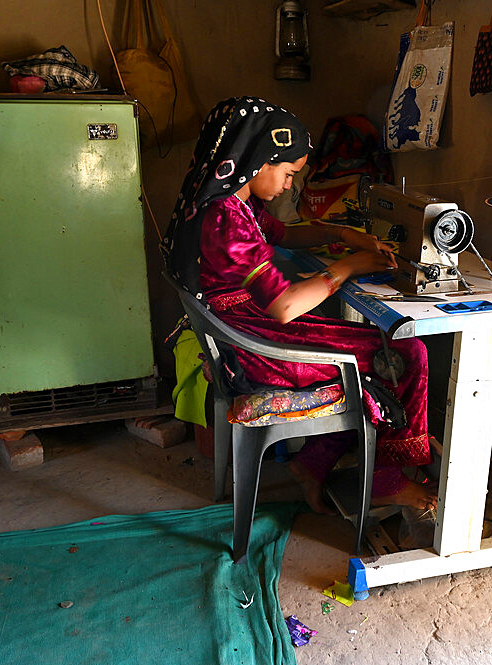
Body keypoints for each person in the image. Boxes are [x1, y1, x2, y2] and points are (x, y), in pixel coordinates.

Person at [162, 96, 436, 514]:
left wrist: (343, 235)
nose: (290, 185)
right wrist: (347, 267)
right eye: (288, 173)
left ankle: (314, 463)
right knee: (402, 352)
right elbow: (285, 307)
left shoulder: (233, 204)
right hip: (254, 349)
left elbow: (284, 235)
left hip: (244, 330)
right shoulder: (225, 219)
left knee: (369, 345)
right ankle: (387, 480)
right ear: (258, 160)